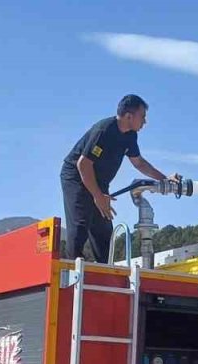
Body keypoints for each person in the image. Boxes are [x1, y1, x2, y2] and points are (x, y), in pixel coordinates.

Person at [60, 94, 183, 261]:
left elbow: (139, 163)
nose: (145, 122)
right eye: (142, 117)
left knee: (104, 231)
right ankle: (71, 268)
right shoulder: (103, 131)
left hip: (99, 182)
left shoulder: (130, 136)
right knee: (80, 223)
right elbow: (83, 164)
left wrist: (165, 179)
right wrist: (98, 196)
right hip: (76, 176)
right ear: (129, 116)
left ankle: (105, 270)